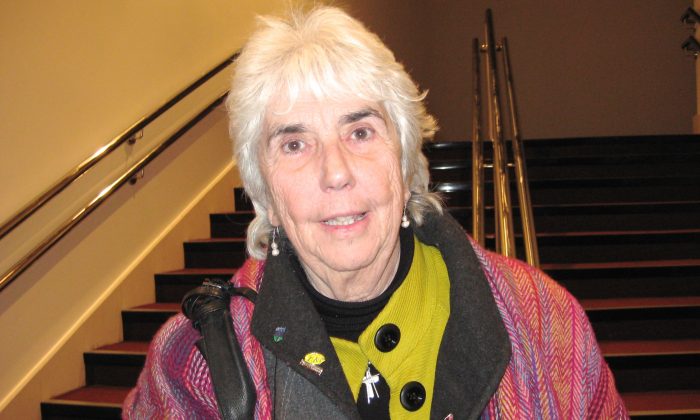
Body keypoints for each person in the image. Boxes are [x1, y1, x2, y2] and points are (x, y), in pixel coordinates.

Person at [124, 6, 628, 419]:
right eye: (295, 144)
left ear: (404, 162)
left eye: (360, 132)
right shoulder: (193, 364)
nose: (336, 172)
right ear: (266, 194)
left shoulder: (545, 322)